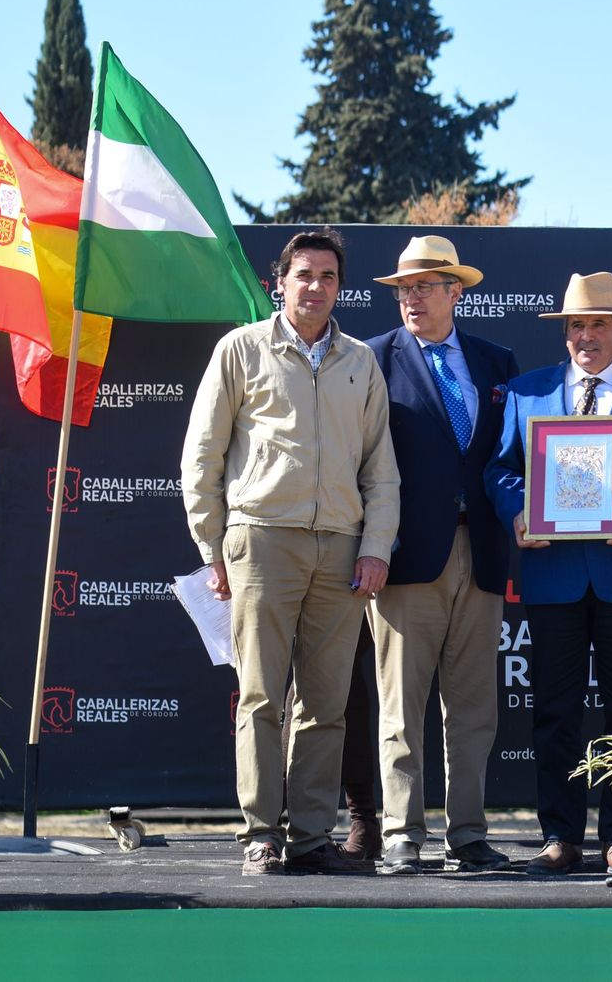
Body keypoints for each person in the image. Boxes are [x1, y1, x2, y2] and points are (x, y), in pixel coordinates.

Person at [181, 228, 400, 876]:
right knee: (261, 697)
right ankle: (261, 834)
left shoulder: (360, 361)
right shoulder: (240, 350)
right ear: (279, 283)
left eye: (328, 276)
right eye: (303, 274)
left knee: (326, 702)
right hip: (261, 542)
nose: (315, 286)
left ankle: (310, 836)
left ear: (340, 287)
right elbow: (202, 455)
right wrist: (211, 544)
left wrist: (377, 546)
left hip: (340, 550)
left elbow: (380, 471)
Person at [485, 272, 612, 877]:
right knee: (553, 708)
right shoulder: (526, 393)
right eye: (576, 325)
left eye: (599, 324)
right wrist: (517, 511)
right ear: (564, 333)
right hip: (551, 575)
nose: (586, 336)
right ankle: (560, 835)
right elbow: (500, 472)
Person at [361, 236, 519, 875]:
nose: (411, 297)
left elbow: (513, 457)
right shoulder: (372, 359)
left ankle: (469, 834)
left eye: (425, 285)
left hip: (480, 553)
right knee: (401, 708)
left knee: (475, 707)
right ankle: (402, 833)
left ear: (458, 291)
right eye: (404, 287)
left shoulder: (497, 360)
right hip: (404, 557)